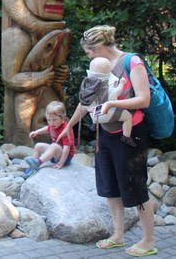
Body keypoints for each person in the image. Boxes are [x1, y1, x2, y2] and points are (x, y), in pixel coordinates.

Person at [57, 25, 157, 257]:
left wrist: (113, 104)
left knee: (136, 186)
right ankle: (118, 234)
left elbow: (144, 100)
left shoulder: (132, 63)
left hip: (130, 133)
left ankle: (148, 239)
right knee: (109, 186)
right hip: (104, 135)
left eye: (90, 52)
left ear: (99, 47)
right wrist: (68, 127)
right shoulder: (98, 68)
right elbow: (87, 101)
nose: (89, 56)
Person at [80, 57, 135, 147]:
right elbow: (117, 92)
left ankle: (94, 124)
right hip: (107, 114)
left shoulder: (87, 84)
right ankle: (126, 136)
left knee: (94, 106)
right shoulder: (109, 85)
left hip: (94, 114)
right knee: (128, 117)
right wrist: (122, 83)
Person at [23, 101, 75, 178]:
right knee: (38, 146)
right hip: (56, 154)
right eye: (48, 120)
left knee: (54, 146)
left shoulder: (66, 129)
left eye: (54, 120)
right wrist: (36, 132)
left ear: (63, 118)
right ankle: (33, 166)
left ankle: (38, 162)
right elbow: (48, 129)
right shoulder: (53, 125)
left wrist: (60, 163)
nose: (51, 123)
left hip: (65, 157)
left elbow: (66, 149)